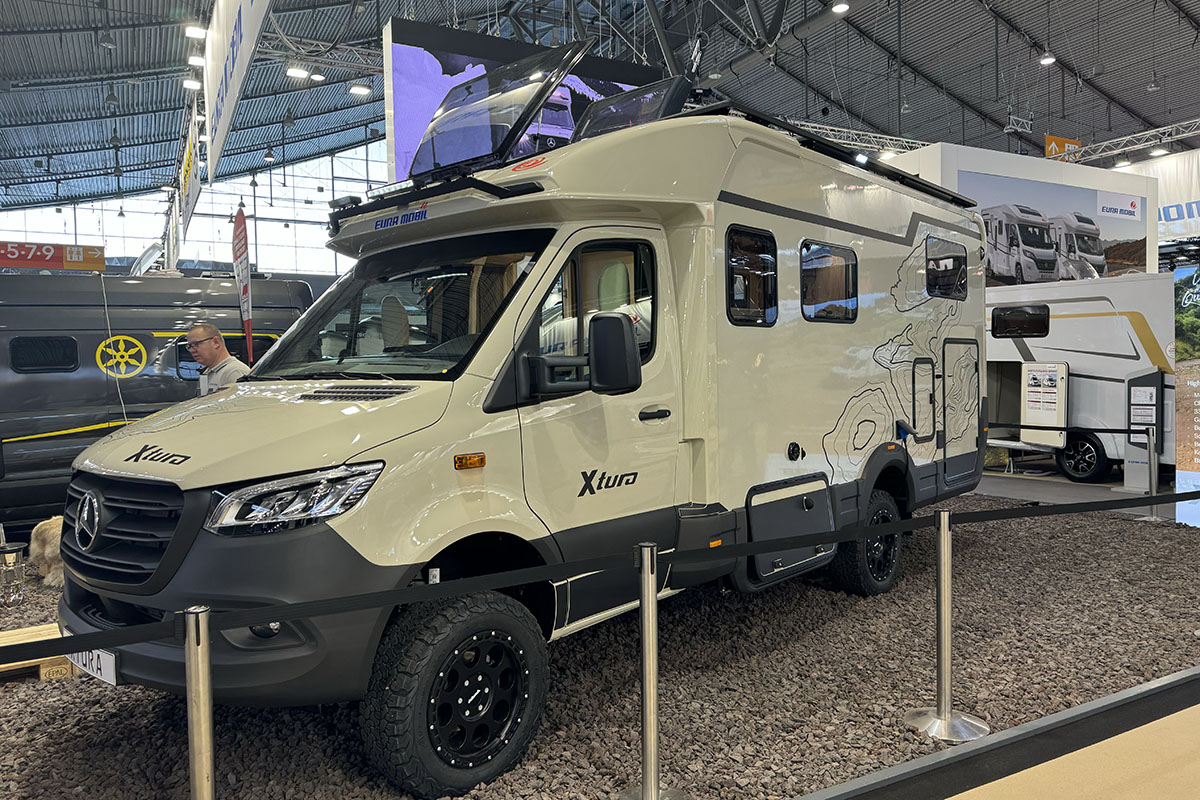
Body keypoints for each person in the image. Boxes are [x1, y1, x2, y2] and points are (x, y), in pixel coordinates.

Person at [185, 323, 251, 395]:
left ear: (216, 342)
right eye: (189, 346)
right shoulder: (208, 372)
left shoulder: (235, 372)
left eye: (196, 344)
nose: (191, 350)